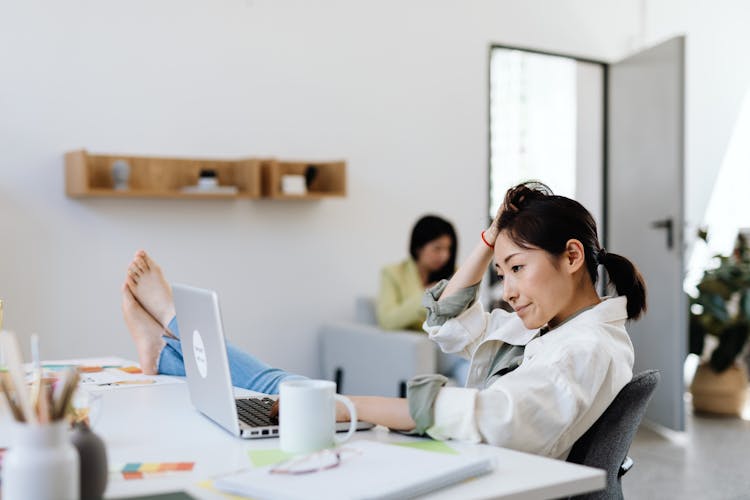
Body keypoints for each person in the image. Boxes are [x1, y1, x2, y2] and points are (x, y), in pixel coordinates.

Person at [122, 181, 645, 459]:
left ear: (571, 257)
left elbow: (497, 418)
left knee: (283, 392)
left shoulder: (586, 349)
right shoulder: (552, 329)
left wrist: (347, 405)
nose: (506, 290)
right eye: (501, 270)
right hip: (449, 446)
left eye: (517, 268)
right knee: (280, 392)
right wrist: (490, 239)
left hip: (467, 461)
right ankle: (168, 342)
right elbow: (448, 322)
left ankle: (169, 335)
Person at [376, 215, 456, 331]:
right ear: (419, 247)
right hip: (413, 345)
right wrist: (426, 298)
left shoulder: (454, 274)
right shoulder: (392, 273)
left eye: (448, 249)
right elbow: (387, 321)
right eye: (437, 248)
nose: (445, 256)